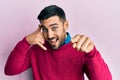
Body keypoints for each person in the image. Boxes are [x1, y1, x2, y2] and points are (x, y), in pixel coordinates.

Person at [4, 5, 112, 80]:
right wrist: (26, 42)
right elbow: (10, 70)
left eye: (54, 28)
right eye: (45, 29)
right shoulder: (36, 50)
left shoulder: (81, 48)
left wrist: (92, 54)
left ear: (65, 25)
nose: (49, 35)